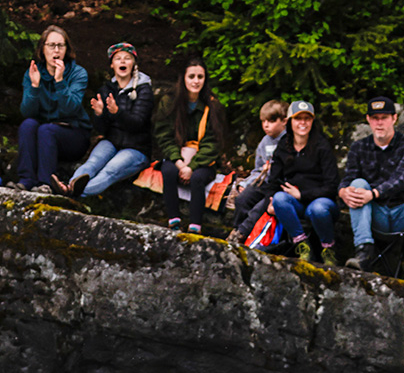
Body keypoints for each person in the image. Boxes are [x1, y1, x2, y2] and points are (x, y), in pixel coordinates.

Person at [339, 94, 404, 283]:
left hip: (402, 213)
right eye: (375, 118)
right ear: (368, 120)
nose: (379, 123)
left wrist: (374, 193)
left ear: (394, 118)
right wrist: (342, 191)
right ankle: (364, 254)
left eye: (384, 118)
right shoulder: (358, 147)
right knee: (357, 185)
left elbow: (400, 179)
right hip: (374, 215)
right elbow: (348, 178)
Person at [54, 42, 153, 198]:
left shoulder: (144, 90)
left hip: (137, 148)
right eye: (118, 58)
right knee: (92, 164)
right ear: (112, 65)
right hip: (112, 142)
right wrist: (100, 114)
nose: (122, 62)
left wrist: (117, 112)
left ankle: (72, 193)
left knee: (111, 170)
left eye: (127, 58)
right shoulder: (106, 89)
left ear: (134, 64)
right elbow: (102, 130)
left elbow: (138, 123)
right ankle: (70, 186)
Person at [152, 58, 231, 234]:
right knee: (169, 171)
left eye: (200, 77)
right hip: (176, 155)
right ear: (184, 78)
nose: (196, 81)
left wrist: (192, 166)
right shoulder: (169, 101)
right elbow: (164, 136)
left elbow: (213, 142)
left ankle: (195, 226)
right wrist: (179, 162)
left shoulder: (213, 105)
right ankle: (174, 221)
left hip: (202, 160)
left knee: (197, 179)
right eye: (192, 76)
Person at [264, 101, 340, 265]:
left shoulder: (322, 146)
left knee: (317, 209)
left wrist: (302, 194)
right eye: (298, 119)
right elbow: (273, 180)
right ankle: (302, 245)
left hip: (322, 203)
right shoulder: (283, 146)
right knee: (279, 199)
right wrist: (270, 200)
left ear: (312, 122)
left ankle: (328, 249)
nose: (303, 123)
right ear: (290, 121)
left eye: (307, 119)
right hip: (296, 204)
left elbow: (332, 186)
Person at [17, 25, 91, 193]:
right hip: (44, 137)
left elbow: (70, 109)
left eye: (61, 45)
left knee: (46, 130)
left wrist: (60, 82)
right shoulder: (33, 72)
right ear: (42, 49)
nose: (56, 50)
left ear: (67, 50)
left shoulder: (78, 73)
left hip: (73, 135)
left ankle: (46, 184)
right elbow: (27, 112)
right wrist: (35, 86)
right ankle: (27, 180)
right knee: (28, 125)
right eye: (51, 45)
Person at [231, 100, 288, 238]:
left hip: (280, 186)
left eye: (271, 121)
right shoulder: (265, 142)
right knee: (243, 199)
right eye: (263, 121)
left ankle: (243, 234)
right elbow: (257, 170)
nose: (266, 125)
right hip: (264, 182)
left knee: (260, 207)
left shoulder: (289, 141)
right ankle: (236, 229)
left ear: (284, 121)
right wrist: (246, 183)